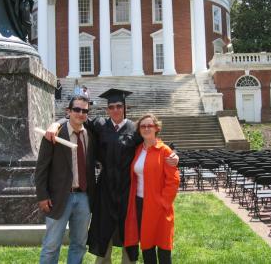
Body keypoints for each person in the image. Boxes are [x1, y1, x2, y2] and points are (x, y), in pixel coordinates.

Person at [45, 88, 179, 264]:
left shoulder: (134, 129)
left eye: (118, 106)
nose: (115, 110)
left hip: (127, 189)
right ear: (107, 109)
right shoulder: (100, 125)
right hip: (105, 188)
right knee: (103, 228)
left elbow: (154, 142)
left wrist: (174, 152)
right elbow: (77, 118)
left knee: (128, 229)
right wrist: (57, 123)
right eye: (111, 107)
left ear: (124, 107)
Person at [35, 95, 97, 264]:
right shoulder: (54, 135)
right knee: (52, 245)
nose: (80, 113)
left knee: (79, 244)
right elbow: (41, 169)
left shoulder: (90, 135)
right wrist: (42, 196)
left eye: (85, 111)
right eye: (76, 109)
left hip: (84, 198)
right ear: (68, 111)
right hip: (58, 198)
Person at [124, 114, 180, 264]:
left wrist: (163, 202)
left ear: (156, 128)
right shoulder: (137, 150)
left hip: (160, 206)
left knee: (163, 248)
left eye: (150, 125)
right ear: (139, 130)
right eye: (143, 126)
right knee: (147, 246)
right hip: (140, 204)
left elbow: (173, 180)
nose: (147, 128)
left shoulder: (165, 151)